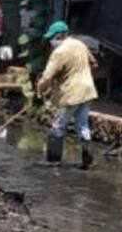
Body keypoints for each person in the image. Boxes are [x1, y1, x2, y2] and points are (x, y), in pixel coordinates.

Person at [37, 20, 98, 169]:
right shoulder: (80, 45)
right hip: (88, 90)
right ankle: (87, 160)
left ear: (62, 35)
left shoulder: (59, 52)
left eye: (54, 37)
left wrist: (40, 90)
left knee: (58, 126)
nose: (52, 41)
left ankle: (53, 160)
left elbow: (47, 77)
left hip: (71, 93)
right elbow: (94, 64)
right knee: (83, 125)